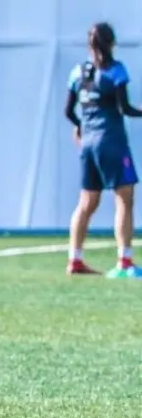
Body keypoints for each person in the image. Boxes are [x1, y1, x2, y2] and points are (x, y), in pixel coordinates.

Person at [64, 22, 141, 279]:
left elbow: (68, 112)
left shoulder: (78, 72)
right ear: (111, 43)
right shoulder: (115, 71)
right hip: (111, 141)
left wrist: (80, 126)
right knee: (124, 198)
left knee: (86, 203)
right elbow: (125, 109)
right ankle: (125, 261)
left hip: (88, 144)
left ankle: (74, 260)